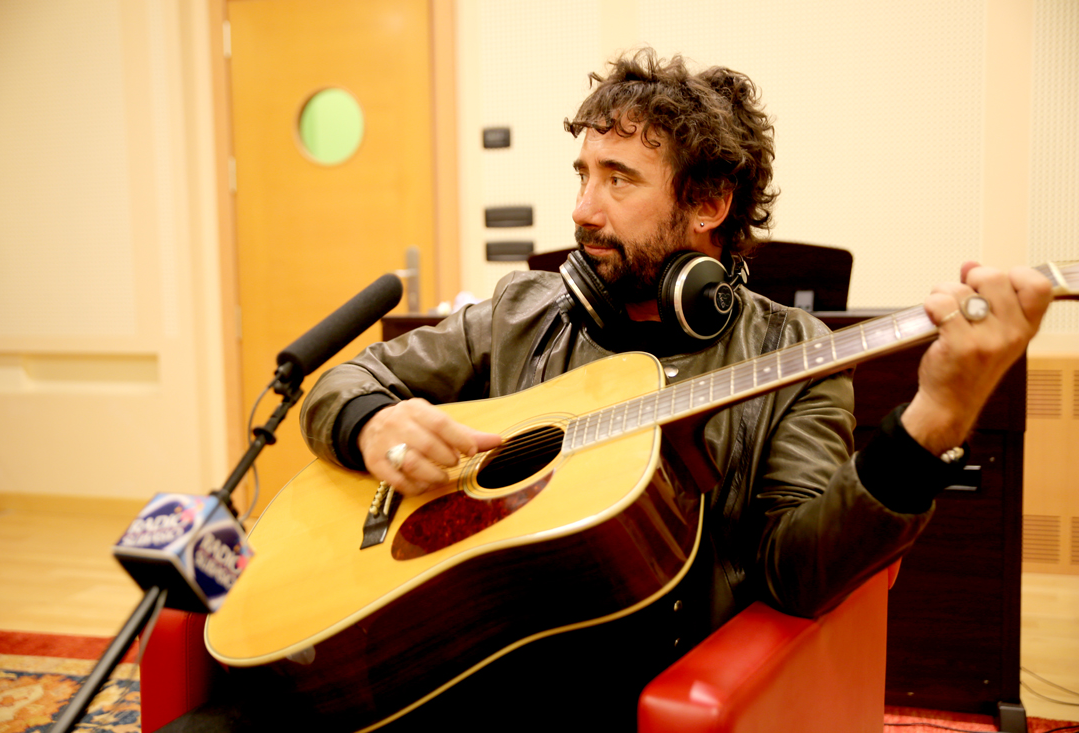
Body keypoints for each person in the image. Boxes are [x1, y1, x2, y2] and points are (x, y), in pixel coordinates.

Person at [297, 49, 1052, 731]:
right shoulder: (522, 310)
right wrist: (372, 425)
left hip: (616, 680)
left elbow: (800, 570)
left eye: (618, 179)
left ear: (709, 204)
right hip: (451, 646)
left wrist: (935, 416)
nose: (582, 209)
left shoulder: (790, 350)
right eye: (583, 175)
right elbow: (345, 382)